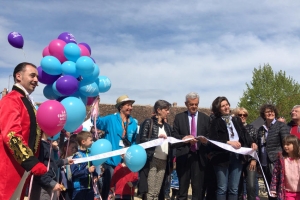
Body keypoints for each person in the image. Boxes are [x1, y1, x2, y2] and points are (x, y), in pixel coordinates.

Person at [0, 62, 47, 199]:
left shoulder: (25, 100)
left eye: (37, 77)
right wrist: (30, 161)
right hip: (10, 166)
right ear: (18, 76)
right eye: (32, 75)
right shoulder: (11, 100)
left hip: (21, 168)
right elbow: (11, 135)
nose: (36, 80)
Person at [209, 96, 257, 200]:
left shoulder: (236, 120)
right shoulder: (215, 122)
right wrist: (228, 142)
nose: (226, 107)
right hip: (221, 158)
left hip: (236, 157)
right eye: (223, 106)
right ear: (218, 108)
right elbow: (212, 140)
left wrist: (252, 142)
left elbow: (244, 134)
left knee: (234, 188)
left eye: (227, 104)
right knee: (222, 188)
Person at [94, 95, 138, 200]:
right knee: (109, 188)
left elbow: (134, 141)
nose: (130, 108)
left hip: (126, 163)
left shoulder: (133, 123)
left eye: (131, 105)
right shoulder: (111, 119)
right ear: (120, 107)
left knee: (123, 189)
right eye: (128, 105)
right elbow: (97, 122)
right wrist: (96, 106)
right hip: (111, 162)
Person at [172, 92, 210, 200]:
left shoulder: (205, 118)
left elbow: (209, 138)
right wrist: (184, 139)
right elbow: (174, 136)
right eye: (191, 104)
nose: (194, 106)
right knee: (182, 190)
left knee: (197, 191)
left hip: (199, 157)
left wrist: (204, 141)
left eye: (196, 104)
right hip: (184, 157)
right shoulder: (179, 118)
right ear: (186, 104)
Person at [138, 100, 173, 200]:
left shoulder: (167, 127)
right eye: (166, 110)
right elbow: (143, 140)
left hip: (164, 161)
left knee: (157, 191)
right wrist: (157, 139)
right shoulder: (148, 122)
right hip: (152, 159)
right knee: (150, 191)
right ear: (158, 110)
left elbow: (172, 141)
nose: (168, 112)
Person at [257, 104, 289, 200]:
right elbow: (259, 145)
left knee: (277, 189)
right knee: (268, 188)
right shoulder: (261, 129)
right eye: (267, 112)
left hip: (276, 161)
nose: (270, 113)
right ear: (263, 114)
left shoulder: (281, 126)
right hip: (264, 162)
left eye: (272, 111)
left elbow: (286, 142)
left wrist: (283, 158)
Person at [31, 133, 74, 199]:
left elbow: (52, 163)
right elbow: (37, 170)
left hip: (49, 185)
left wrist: (65, 161)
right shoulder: (40, 146)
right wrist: (52, 183)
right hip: (42, 187)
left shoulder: (48, 145)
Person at [234, 107, 259, 200]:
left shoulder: (252, 128)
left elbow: (257, 145)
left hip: (250, 161)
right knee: (238, 186)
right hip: (237, 161)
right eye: (240, 115)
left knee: (251, 185)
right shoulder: (233, 129)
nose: (242, 116)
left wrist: (254, 160)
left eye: (244, 115)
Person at [270, 135, 300, 200]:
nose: (285, 146)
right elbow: (275, 175)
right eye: (284, 144)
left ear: (295, 145)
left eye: (288, 144)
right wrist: (273, 189)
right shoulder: (281, 160)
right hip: (287, 192)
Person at [71, 131, 98, 200]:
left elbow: (93, 167)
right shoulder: (77, 156)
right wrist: (87, 171)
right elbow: (74, 173)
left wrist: (95, 175)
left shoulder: (91, 153)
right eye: (90, 140)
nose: (92, 142)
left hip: (90, 187)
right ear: (83, 142)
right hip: (79, 189)